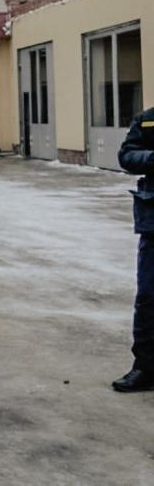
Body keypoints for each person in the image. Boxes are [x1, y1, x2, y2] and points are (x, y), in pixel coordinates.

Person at [114, 105, 154, 392]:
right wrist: (153, 158)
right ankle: (145, 368)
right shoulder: (148, 120)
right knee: (149, 298)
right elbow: (127, 155)